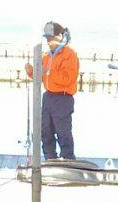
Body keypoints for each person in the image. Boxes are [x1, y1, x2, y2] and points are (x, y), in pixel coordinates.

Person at [25, 21, 79, 161]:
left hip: (63, 98)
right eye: (47, 38)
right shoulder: (46, 56)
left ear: (60, 36)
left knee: (63, 131)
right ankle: (50, 159)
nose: (48, 41)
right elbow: (40, 76)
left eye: (51, 37)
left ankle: (68, 159)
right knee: (46, 130)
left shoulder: (69, 54)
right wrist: (31, 72)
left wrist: (47, 72)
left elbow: (67, 79)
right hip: (48, 96)